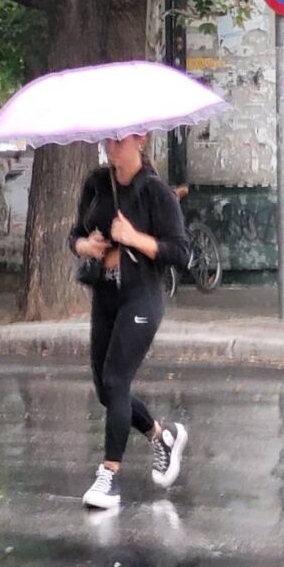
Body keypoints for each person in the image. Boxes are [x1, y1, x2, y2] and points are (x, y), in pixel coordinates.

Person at [69, 133, 191, 510]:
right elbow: (75, 235)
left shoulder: (156, 192)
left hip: (142, 296)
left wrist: (134, 237)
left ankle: (109, 476)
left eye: (120, 139)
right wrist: (85, 246)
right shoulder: (96, 183)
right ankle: (163, 436)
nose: (112, 146)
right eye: (108, 139)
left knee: (116, 380)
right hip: (105, 293)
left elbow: (180, 252)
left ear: (141, 140)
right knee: (106, 391)